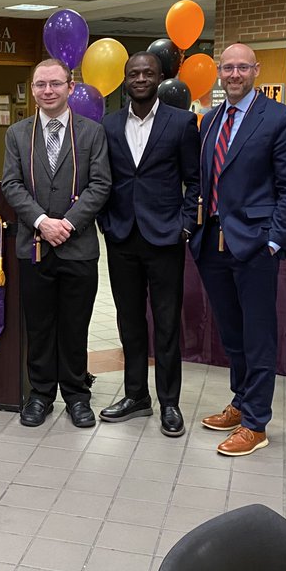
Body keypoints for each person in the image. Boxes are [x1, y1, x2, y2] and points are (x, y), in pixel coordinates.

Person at [190, 43, 286, 456]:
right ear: (219, 72)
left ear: (256, 70)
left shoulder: (280, 118)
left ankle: (256, 422)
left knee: (258, 335)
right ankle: (241, 402)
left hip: (255, 244)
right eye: (228, 68)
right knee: (232, 332)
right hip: (212, 242)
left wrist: (274, 240)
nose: (234, 74)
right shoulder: (209, 120)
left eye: (242, 67)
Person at [2, 58, 112, 428]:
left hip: (78, 247)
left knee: (75, 327)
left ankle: (77, 396)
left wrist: (67, 223)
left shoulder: (92, 133)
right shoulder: (17, 134)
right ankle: (41, 394)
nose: (48, 91)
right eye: (40, 84)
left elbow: (101, 184)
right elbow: (11, 184)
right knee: (39, 326)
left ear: (70, 87)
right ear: (33, 90)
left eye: (55, 84)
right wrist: (42, 222)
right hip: (34, 246)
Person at [98, 52, 200, 436]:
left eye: (148, 73)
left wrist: (185, 225)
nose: (140, 79)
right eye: (133, 74)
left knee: (167, 323)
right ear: (124, 80)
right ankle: (136, 395)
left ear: (160, 78)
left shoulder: (181, 123)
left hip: (165, 238)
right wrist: (106, 222)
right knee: (129, 321)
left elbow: (196, 180)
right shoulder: (108, 125)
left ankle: (169, 402)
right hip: (122, 236)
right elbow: (102, 178)